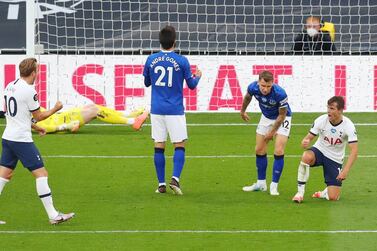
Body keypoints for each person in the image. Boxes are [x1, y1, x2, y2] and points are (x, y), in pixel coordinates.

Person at [0, 58, 74, 224]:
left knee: (4, 175)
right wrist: (56, 108)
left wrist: (35, 127)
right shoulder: (29, 91)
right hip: (21, 140)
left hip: (8, 138)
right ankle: (53, 215)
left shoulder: (9, 86)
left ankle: (53, 215)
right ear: (33, 72)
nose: (37, 74)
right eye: (37, 71)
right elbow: (39, 116)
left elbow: (16, 114)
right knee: (41, 174)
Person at [143, 25, 202, 195]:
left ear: (159, 41)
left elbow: (147, 83)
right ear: (175, 41)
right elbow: (191, 85)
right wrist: (197, 76)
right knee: (179, 144)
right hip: (175, 109)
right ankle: (175, 179)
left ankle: (161, 184)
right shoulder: (182, 61)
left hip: (157, 108)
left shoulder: (151, 59)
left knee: (159, 144)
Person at [292, 96, 358, 203]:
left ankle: (325, 193)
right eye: (328, 108)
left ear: (340, 110)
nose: (328, 111)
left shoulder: (348, 126)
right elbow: (308, 137)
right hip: (320, 151)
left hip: (335, 158)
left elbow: (354, 151)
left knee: (333, 198)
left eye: (332, 109)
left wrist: (345, 171)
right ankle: (300, 193)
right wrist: (305, 141)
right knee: (306, 156)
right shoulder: (321, 120)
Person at [240, 71, 292, 196]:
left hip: (283, 118)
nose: (265, 89)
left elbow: (282, 115)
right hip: (266, 117)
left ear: (272, 84)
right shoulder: (253, 87)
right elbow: (248, 97)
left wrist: (272, 132)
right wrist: (242, 111)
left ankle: (274, 186)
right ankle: (261, 184)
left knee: (278, 150)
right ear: (259, 82)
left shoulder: (280, 93)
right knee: (259, 149)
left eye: (268, 86)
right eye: (263, 86)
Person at [35, 104, 148, 133]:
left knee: (93, 106)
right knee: (95, 111)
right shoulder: (29, 121)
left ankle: (128, 115)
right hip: (67, 121)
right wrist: (67, 127)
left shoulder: (31, 108)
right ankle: (132, 121)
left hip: (64, 115)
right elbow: (46, 128)